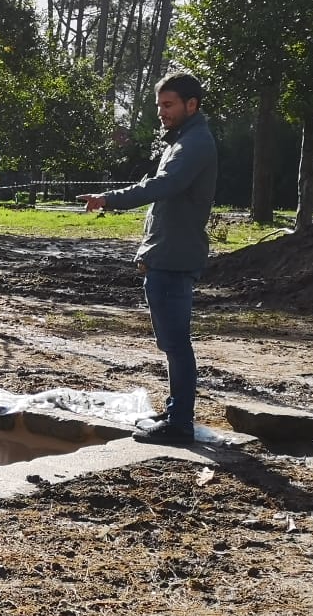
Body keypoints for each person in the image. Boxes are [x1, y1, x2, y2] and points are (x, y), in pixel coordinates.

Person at [79, 72, 218, 445]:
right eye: (159, 105)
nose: (161, 112)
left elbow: (163, 186)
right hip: (166, 257)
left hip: (174, 260)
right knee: (171, 344)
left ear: (192, 105)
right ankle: (175, 413)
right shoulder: (182, 142)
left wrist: (110, 198)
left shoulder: (195, 144)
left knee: (176, 344)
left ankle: (179, 424)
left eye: (168, 105)